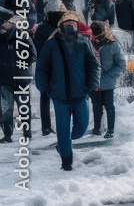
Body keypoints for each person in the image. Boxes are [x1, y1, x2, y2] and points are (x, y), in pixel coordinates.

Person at [34, 11, 100, 171]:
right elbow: (42, 67)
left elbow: (93, 64)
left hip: (80, 93)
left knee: (81, 127)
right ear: (61, 25)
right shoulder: (51, 44)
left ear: (77, 25)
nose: (70, 26)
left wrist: (91, 83)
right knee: (62, 130)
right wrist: (44, 88)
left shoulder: (84, 41)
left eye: (73, 23)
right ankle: (66, 160)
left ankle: (65, 144)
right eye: (67, 23)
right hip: (59, 95)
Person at [1, 10, 37, 142]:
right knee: (9, 108)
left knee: (15, 107)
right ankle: (13, 134)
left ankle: (22, 134)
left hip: (16, 78)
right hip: (9, 78)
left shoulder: (22, 35)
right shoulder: (18, 35)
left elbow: (33, 55)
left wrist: (21, 64)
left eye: (5, 22)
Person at [33, 0, 66, 136]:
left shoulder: (41, 28)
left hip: (44, 67)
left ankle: (46, 127)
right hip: (59, 67)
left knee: (45, 97)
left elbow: (36, 47)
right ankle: (61, 125)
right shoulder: (61, 29)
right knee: (61, 97)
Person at [88, 21, 125, 138]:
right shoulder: (88, 44)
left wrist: (108, 73)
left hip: (107, 82)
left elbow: (122, 65)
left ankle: (110, 130)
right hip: (94, 82)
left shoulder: (112, 45)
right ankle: (97, 129)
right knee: (96, 106)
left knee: (109, 106)